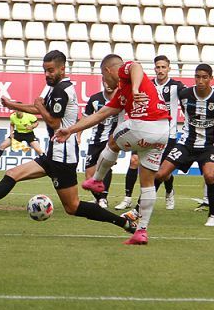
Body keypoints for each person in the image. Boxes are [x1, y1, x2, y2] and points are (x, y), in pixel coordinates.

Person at [0, 51, 136, 236]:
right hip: (54, 152)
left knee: (73, 207)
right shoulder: (54, 88)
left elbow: (53, 122)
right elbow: (39, 107)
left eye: (51, 70)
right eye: (45, 70)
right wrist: (13, 105)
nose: (47, 74)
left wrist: (38, 106)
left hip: (63, 156)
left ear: (62, 69)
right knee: (12, 174)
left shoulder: (62, 90)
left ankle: (124, 222)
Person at [54, 55, 169, 245]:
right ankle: (141, 231)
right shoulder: (121, 94)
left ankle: (97, 181)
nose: (104, 80)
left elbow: (136, 66)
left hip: (144, 123)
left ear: (107, 71)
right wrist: (71, 130)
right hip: (162, 131)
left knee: (113, 141)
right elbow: (100, 114)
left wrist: (134, 87)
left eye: (102, 75)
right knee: (147, 183)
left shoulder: (125, 74)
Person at [155, 63, 214, 227]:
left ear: (211, 78)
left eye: (204, 77)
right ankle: (140, 209)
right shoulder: (185, 94)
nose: (200, 80)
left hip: (208, 146)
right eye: (197, 76)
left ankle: (213, 215)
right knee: (160, 174)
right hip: (186, 143)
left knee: (210, 176)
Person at [152, 55, 185, 210]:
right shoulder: (148, 85)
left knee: (164, 171)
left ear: (169, 69)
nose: (160, 70)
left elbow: (187, 101)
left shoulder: (177, 86)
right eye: (158, 67)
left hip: (169, 135)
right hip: (150, 134)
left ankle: (168, 191)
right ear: (154, 68)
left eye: (163, 67)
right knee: (150, 169)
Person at [83, 82, 120, 207]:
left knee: (106, 166)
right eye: (106, 81)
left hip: (112, 140)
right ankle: (98, 198)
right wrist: (78, 134)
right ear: (103, 81)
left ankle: (103, 198)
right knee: (89, 174)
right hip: (95, 140)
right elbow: (86, 118)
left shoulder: (121, 99)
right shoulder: (95, 99)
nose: (108, 84)